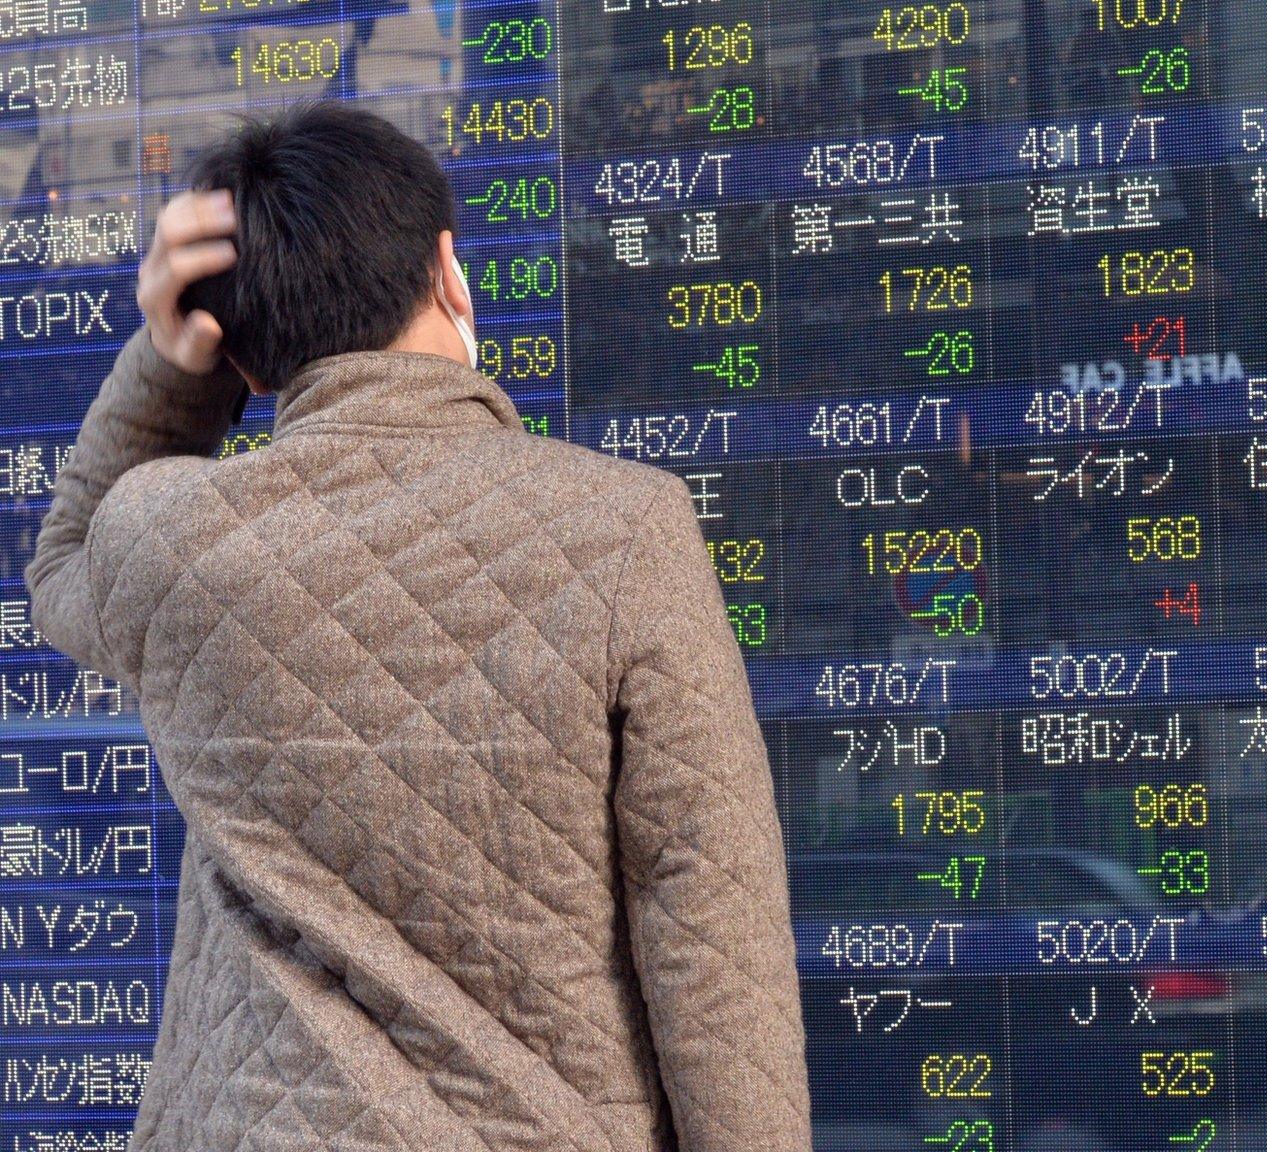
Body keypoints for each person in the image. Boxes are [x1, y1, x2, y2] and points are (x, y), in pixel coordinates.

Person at [24, 101, 810, 1152]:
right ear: (450, 267)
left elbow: (63, 563)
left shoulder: (169, 541)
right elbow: (712, 926)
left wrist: (174, 365)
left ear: (246, 366)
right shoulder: (627, 528)